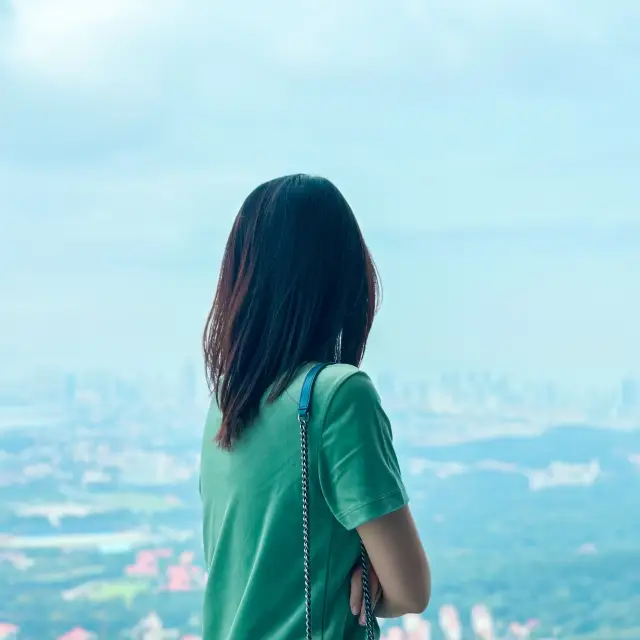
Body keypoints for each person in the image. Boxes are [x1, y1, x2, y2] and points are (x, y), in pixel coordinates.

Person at [199, 174, 430, 639]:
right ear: (345, 278)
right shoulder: (338, 396)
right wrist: (373, 582)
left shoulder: (226, 405)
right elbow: (411, 590)